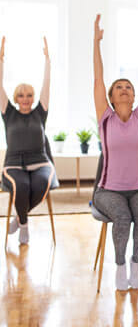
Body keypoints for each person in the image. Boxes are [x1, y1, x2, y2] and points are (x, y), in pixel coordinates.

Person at [92, 14, 138, 291]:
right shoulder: (105, 117)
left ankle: (135, 262)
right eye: (118, 87)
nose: (124, 89)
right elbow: (97, 78)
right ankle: (119, 266)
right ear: (110, 96)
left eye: (128, 87)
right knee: (122, 218)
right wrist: (95, 42)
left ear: (134, 96)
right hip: (108, 191)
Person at [0, 36, 58, 244]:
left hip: (41, 162)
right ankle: (24, 226)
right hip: (14, 164)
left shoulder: (40, 112)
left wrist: (48, 61)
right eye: (21, 95)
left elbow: (47, 84)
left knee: (42, 183)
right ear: (16, 98)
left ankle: (18, 218)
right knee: (22, 186)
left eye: (29, 95)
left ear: (33, 98)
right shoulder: (8, 113)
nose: (25, 99)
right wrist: (1, 59)